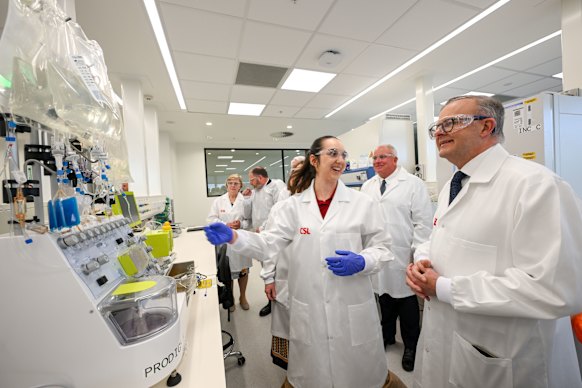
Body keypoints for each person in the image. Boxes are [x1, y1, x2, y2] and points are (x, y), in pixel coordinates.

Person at [406, 95, 582, 387]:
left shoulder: (536, 186)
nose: (438, 132)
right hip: (450, 337)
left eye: (450, 123)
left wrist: (444, 287)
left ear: (486, 126)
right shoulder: (456, 183)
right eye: (436, 126)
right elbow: (443, 235)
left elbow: (556, 289)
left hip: (504, 355)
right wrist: (422, 261)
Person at [205, 136, 406, 388]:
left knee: (360, 373)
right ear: (314, 160)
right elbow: (268, 244)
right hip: (308, 303)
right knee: (312, 373)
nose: (340, 160)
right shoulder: (292, 208)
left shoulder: (362, 203)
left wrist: (363, 261)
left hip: (352, 302)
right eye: (333, 153)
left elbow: (384, 247)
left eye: (344, 155)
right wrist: (235, 236)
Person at [361, 144, 433, 372]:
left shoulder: (413, 184)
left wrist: (419, 254)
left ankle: (411, 346)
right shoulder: (367, 185)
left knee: (407, 301)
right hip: (376, 251)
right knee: (383, 296)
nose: (377, 161)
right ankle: (387, 335)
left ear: (395, 159)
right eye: (375, 157)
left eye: (383, 157)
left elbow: (423, 223)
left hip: (404, 252)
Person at [263, 155, 305, 370]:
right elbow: (270, 247)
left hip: (312, 281)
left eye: (302, 172)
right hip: (285, 277)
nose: (297, 177)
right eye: (293, 172)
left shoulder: (319, 206)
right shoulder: (280, 208)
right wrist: (268, 277)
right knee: (287, 326)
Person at [242, 166, 287, 317]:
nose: (250, 183)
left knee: (279, 270)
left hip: (275, 236)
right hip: (261, 236)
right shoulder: (254, 191)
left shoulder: (277, 186)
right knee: (267, 270)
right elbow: (248, 215)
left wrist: (264, 227)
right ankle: (271, 301)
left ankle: (282, 303)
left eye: (251, 180)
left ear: (260, 178)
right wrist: (247, 199)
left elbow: (279, 211)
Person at [207, 174, 251, 311]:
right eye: (230, 182)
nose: (233, 185)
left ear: (240, 185)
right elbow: (211, 219)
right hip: (225, 242)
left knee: (243, 271)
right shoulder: (219, 201)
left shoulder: (246, 201)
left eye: (236, 183)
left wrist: (241, 224)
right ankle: (230, 298)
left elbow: (250, 220)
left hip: (241, 239)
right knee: (228, 272)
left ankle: (242, 297)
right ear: (226, 185)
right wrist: (225, 224)